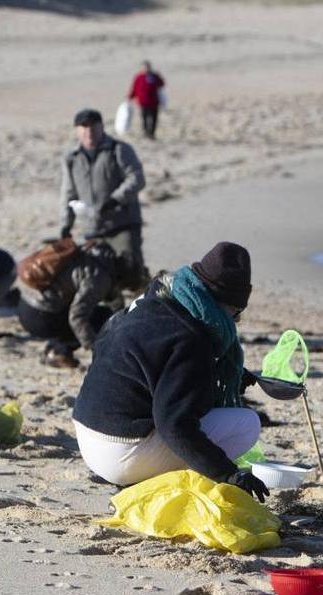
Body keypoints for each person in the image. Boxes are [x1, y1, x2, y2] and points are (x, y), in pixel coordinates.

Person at [70, 242, 268, 501]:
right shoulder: (191, 338)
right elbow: (174, 424)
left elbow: (128, 359)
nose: (235, 322)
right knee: (246, 424)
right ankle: (148, 480)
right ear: (225, 305)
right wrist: (228, 473)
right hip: (120, 453)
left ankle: (142, 475)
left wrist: (218, 374)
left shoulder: (153, 300)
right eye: (236, 313)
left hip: (87, 433)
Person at [60, 108, 148, 290]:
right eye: (83, 127)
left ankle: (145, 294)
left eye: (93, 126)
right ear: (77, 130)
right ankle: (115, 314)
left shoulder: (119, 150)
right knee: (102, 279)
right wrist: (65, 225)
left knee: (131, 271)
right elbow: (68, 193)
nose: (89, 131)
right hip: (93, 228)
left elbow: (137, 178)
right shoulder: (72, 158)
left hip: (122, 224)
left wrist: (116, 199)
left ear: (101, 127)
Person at [17, 241, 121, 369]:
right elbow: (77, 317)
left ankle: (53, 349)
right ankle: (59, 352)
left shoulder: (93, 254)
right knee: (102, 318)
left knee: (89, 313)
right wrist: (96, 349)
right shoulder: (100, 277)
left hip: (25, 306)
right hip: (41, 317)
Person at [128, 61, 165, 140]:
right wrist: (130, 97)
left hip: (154, 102)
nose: (146, 69)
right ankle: (145, 133)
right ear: (141, 68)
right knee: (144, 118)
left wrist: (157, 76)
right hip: (143, 102)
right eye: (144, 67)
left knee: (154, 119)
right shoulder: (138, 77)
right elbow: (134, 88)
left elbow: (162, 84)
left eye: (147, 67)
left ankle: (152, 134)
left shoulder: (154, 76)